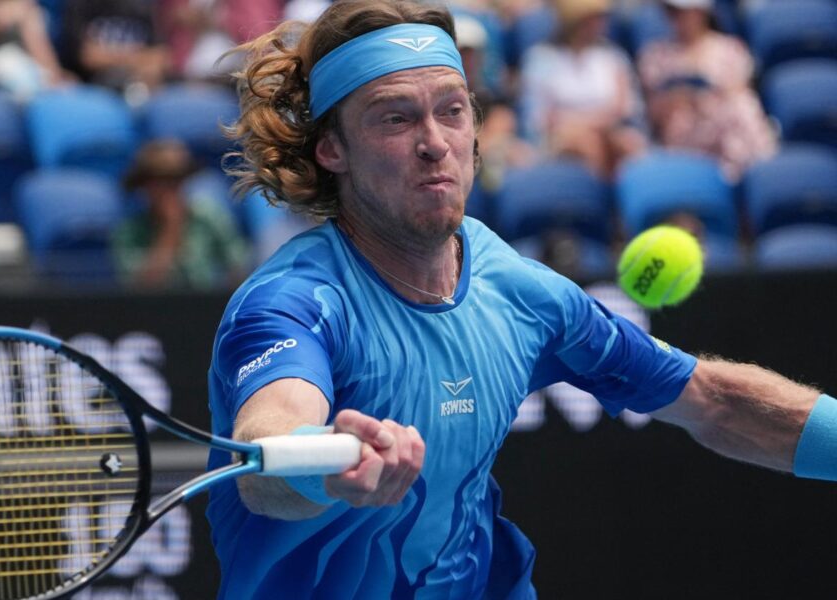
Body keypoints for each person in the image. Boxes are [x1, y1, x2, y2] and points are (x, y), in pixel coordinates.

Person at [205, 1, 835, 598]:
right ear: (332, 148)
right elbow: (265, 448)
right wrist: (323, 463)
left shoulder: (523, 292)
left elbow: (715, 402)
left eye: (452, 110)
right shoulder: (290, 302)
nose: (435, 142)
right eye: (395, 118)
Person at [637, 0, 776, 181]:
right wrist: (681, 96)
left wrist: (706, 97)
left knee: (742, 106)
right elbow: (651, 110)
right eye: (670, 11)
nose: (675, 18)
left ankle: (760, 174)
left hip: (728, 132)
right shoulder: (655, 55)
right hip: (683, 137)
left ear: (701, 12)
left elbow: (740, 91)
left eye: (682, 12)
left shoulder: (730, 49)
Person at [519, 0, 645, 178]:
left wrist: (593, 123)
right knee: (588, 144)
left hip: (609, 130)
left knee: (627, 144)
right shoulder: (541, 59)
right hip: (559, 136)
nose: (600, 23)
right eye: (593, 18)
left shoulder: (614, 57)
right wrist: (584, 125)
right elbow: (540, 117)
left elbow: (624, 108)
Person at [112, 141, 249, 290]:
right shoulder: (129, 231)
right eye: (159, 180)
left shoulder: (209, 216)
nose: (168, 187)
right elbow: (141, 287)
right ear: (144, 185)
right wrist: (171, 229)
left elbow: (238, 267)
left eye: (175, 179)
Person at [0, 0, 71, 100]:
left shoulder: (23, 6)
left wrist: (56, 75)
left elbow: (39, 49)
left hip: (23, 68)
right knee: (5, 63)